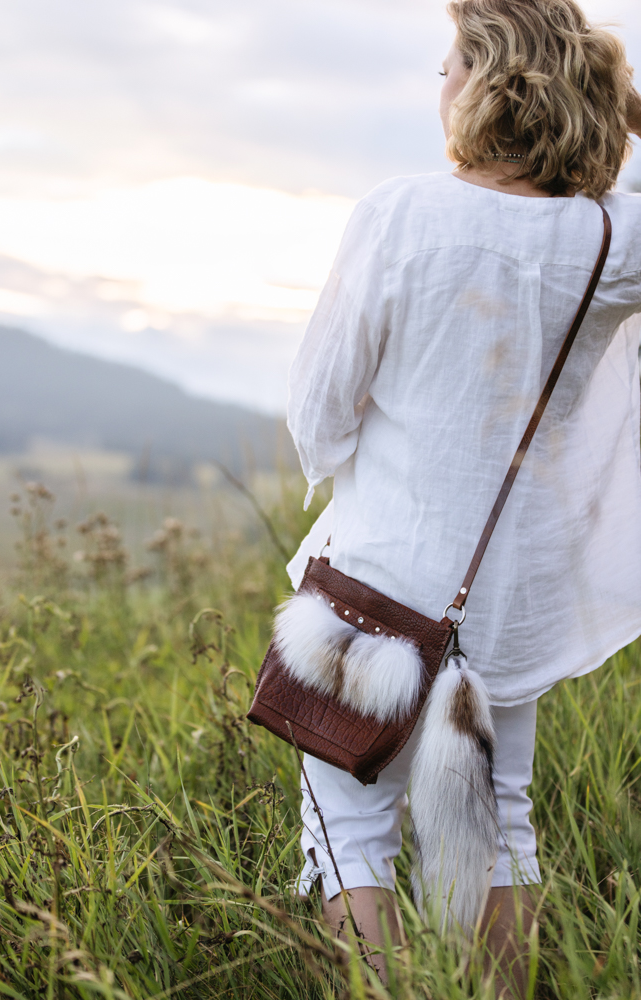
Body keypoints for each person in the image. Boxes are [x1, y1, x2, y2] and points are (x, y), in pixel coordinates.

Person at [285, 0, 641, 995]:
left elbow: (317, 415)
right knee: (499, 829)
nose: (438, 84)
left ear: (486, 81)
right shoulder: (611, 240)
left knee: (348, 827)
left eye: (449, 64)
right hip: (499, 608)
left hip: (370, 587)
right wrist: (620, 104)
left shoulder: (399, 212)